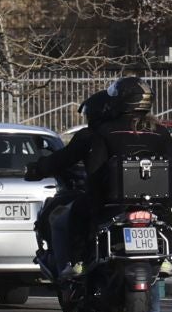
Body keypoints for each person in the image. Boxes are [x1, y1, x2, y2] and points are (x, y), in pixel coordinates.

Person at [28, 76, 172, 312]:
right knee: (163, 217)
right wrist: (166, 201)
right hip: (154, 205)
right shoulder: (160, 132)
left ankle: (77, 262)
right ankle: (165, 258)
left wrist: (98, 197)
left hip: (111, 205)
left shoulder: (105, 132)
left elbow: (96, 169)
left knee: (76, 214)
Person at [34, 87, 115, 283]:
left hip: (103, 199)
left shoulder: (92, 135)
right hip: (147, 201)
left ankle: (71, 267)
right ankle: (153, 310)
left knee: (59, 221)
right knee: (150, 261)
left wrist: (36, 169)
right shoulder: (146, 132)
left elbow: (63, 159)